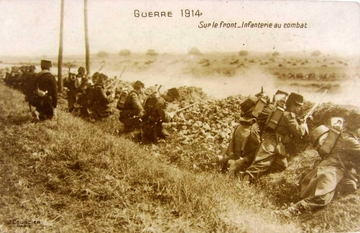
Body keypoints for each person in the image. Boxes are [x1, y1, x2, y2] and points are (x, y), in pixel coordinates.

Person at [282, 114, 360, 216]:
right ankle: (290, 211)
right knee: (322, 198)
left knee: (351, 185)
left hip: (337, 170)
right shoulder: (349, 140)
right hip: (331, 169)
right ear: (356, 127)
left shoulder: (347, 136)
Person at [240, 92, 308, 182]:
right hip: (271, 142)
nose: (300, 109)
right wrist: (304, 125)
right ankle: (245, 180)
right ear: (293, 107)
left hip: (274, 141)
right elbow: (299, 132)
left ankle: (258, 176)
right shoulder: (289, 116)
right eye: (299, 106)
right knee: (261, 164)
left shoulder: (281, 112)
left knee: (282, 165)